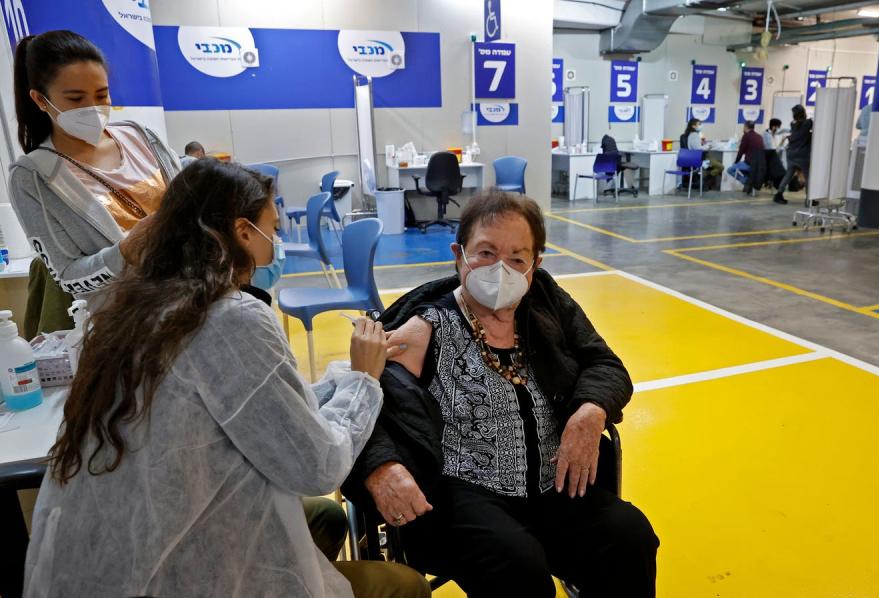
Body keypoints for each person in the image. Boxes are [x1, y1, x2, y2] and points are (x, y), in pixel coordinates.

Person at [22, 159, 429, 598]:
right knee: (401, 587)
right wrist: (365, 381)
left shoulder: (133, 307)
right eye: (272, 227)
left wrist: (341, 377)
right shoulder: (230, 319)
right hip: (176, 573)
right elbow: (318, 467)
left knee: (325, 520)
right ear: (241, 232)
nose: (278, 241)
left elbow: (256, 405)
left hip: (101, 562)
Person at [344, 190, 659, 597]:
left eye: (516, 258)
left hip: (554, 483)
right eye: (485, 253)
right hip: (467, 495)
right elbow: (360, 401)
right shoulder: (426, 329)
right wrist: (380, 466)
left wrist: (590, 410)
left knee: (630, 536)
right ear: (459, 254)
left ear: (535, 266)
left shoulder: (545, 305)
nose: (501, 269)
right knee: (518, 567)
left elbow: (606, 365)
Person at [8, 30, 181, 336]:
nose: (92, 107)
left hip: (196, 298)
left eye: (102, 95)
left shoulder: (142, 138)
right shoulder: (35, 177)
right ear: (40, 99)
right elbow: (68, 277)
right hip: (130, 328)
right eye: (75, 98)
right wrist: (125, 251)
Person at [773, 104, 813, 205]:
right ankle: (809, 199)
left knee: (789, 174)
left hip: (791, 153)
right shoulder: (808, 123)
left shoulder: (792, 124)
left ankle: (779, 194)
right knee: (808, 176)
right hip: (802, 154)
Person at [726, 120, 765, 189]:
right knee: (742, 168)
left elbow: (741, 151)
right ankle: (749, 181)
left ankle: (748, 182)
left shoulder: (746, 136)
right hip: (759, 165)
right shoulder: (759, 136)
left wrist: (735, 162)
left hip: (749, 164)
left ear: (745, 127)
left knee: (730, 170)